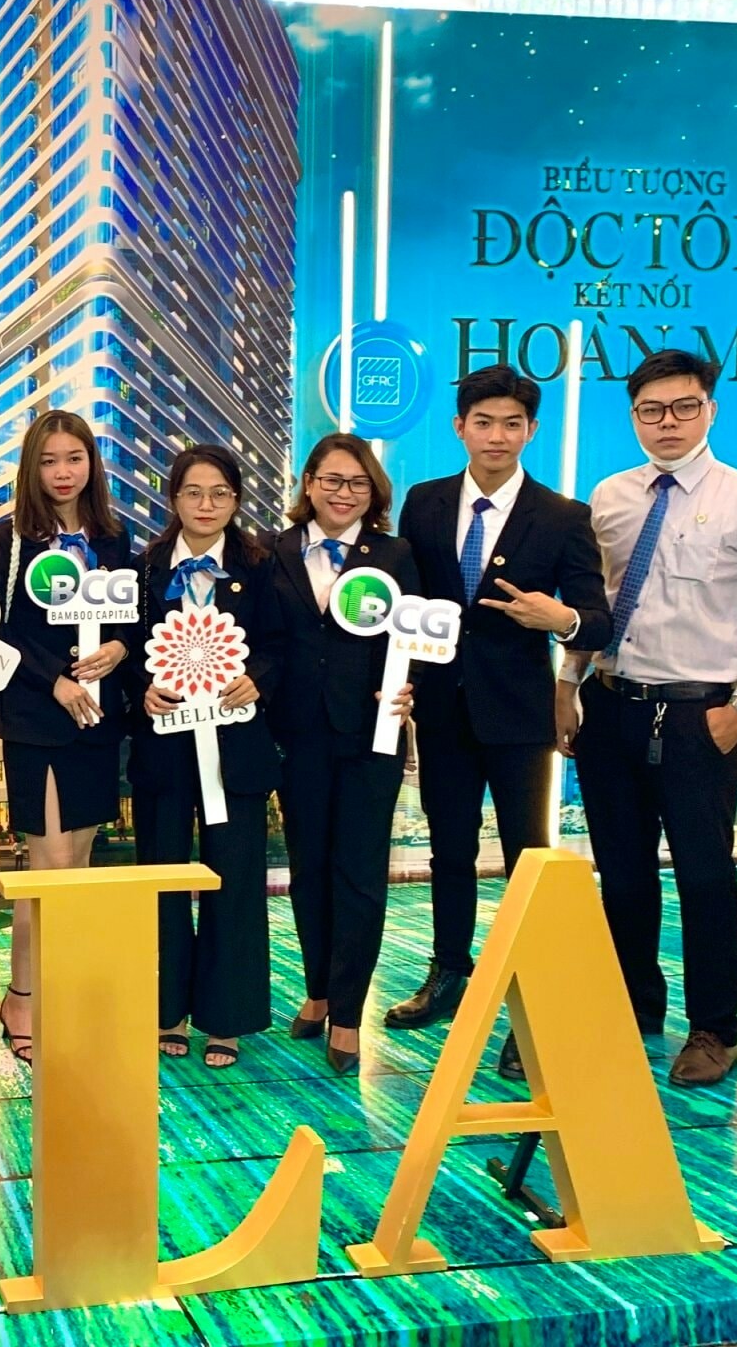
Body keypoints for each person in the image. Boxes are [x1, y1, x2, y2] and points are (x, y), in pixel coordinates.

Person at [558, 349, 737, 1087]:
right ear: (633, 416)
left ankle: (713, 1030)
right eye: (651, 410)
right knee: (622, 875)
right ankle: (635, 1003)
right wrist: (569, 683)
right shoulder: (610, 496)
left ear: (710, 410)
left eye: (683, 407)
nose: (667, 422)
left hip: (703, 715)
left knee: (704, 877)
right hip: (613, 705)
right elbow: (596, 607)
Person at [387, 366, 612, 1079]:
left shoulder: (563, 516)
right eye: (483, 422)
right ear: (460, 427)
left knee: (527, 858)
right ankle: (448, 971)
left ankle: (531, 998)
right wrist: (399, 685)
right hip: (441, 710)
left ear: (531, 431)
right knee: (448, 851)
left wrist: (559, 618)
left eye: (512, 424)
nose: (497, 436)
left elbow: (597, 619)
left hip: (519, 714)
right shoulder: (423, 503)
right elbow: (409, 607)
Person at [0, 408, 133, 1064]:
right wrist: (54, 682)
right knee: (46, 867)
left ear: (91, 464)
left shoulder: (115, 539)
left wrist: (120, 650)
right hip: (37, 720)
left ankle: (62, 990)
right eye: (49, 461)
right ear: (31, 469)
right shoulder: (10, 538)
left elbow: (137, 618)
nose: (63, 472)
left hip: (97, 721)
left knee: (78, 863)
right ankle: (21, 998)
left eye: (74, 458)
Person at [129, 444, 285, 1070]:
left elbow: (282, 643)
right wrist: (140, 690)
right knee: (162, 878)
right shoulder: (143, 570)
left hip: (236, 750)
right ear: (174, 499)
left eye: (220, 493)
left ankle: (227, 1017)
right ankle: (165, 1008)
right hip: (165, 747)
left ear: (236, 500)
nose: (206, 504)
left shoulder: (261, 566)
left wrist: (259, 679)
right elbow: (123, 645)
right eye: (194, 492)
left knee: (236, 880)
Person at [269, 433, 416, 1075]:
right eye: (331, 479)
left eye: (357, 483)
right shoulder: (273, 551)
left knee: (359, 873)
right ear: (309, 483)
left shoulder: (395, 554)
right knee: (309, 869)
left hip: (372, 734)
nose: (342, 492)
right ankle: (318, 990)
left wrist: (411, 688)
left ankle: (349, 1012)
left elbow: (420, 637)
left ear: (372, 491)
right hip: (297, 733)